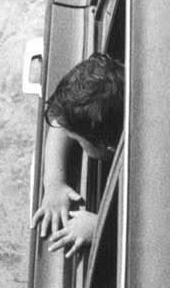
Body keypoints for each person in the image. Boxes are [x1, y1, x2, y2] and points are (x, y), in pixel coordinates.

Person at [30, 53, 123, 259]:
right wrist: (54, 182)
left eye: (79, 140)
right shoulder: (125, 90)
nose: (71, 138)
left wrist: (100, 229)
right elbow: (62, 124)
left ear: (107, 147)